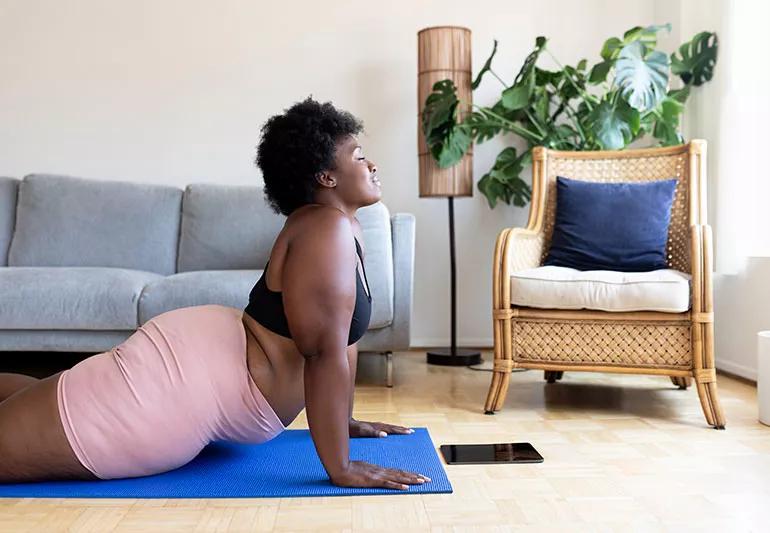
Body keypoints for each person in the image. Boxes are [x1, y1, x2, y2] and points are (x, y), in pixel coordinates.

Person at [0, 97, 430, 491]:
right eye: (358, 156)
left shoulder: (342, 228)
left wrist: (344, 420)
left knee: (46, 399)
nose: (371, 164)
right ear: (326, 176)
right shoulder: (326, 229)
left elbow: (343, 341)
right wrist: (341, 466)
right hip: (173, 387)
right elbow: (322, 353)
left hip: (191, 366)